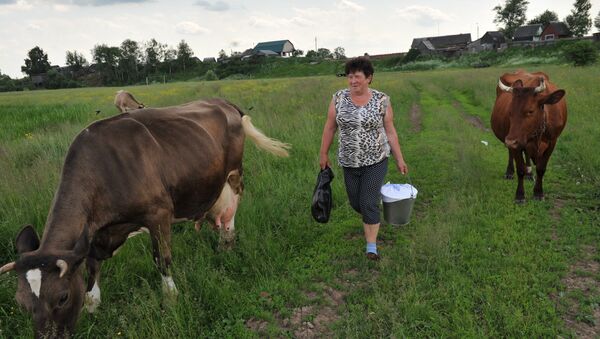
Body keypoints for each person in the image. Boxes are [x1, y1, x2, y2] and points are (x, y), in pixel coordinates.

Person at [319, 56, 408, 261]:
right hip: (349, 161)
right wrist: (323, 153)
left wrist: (399, 159)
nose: (352, 81)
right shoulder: (338, 98)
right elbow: (330, 126)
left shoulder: (381, 100)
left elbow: (390, 131)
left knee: (367, 202)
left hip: (376, 159)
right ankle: (372, 210)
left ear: (369, 78)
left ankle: (371, 246)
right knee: (356, 203)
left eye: (357, 76)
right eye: (349, 77)